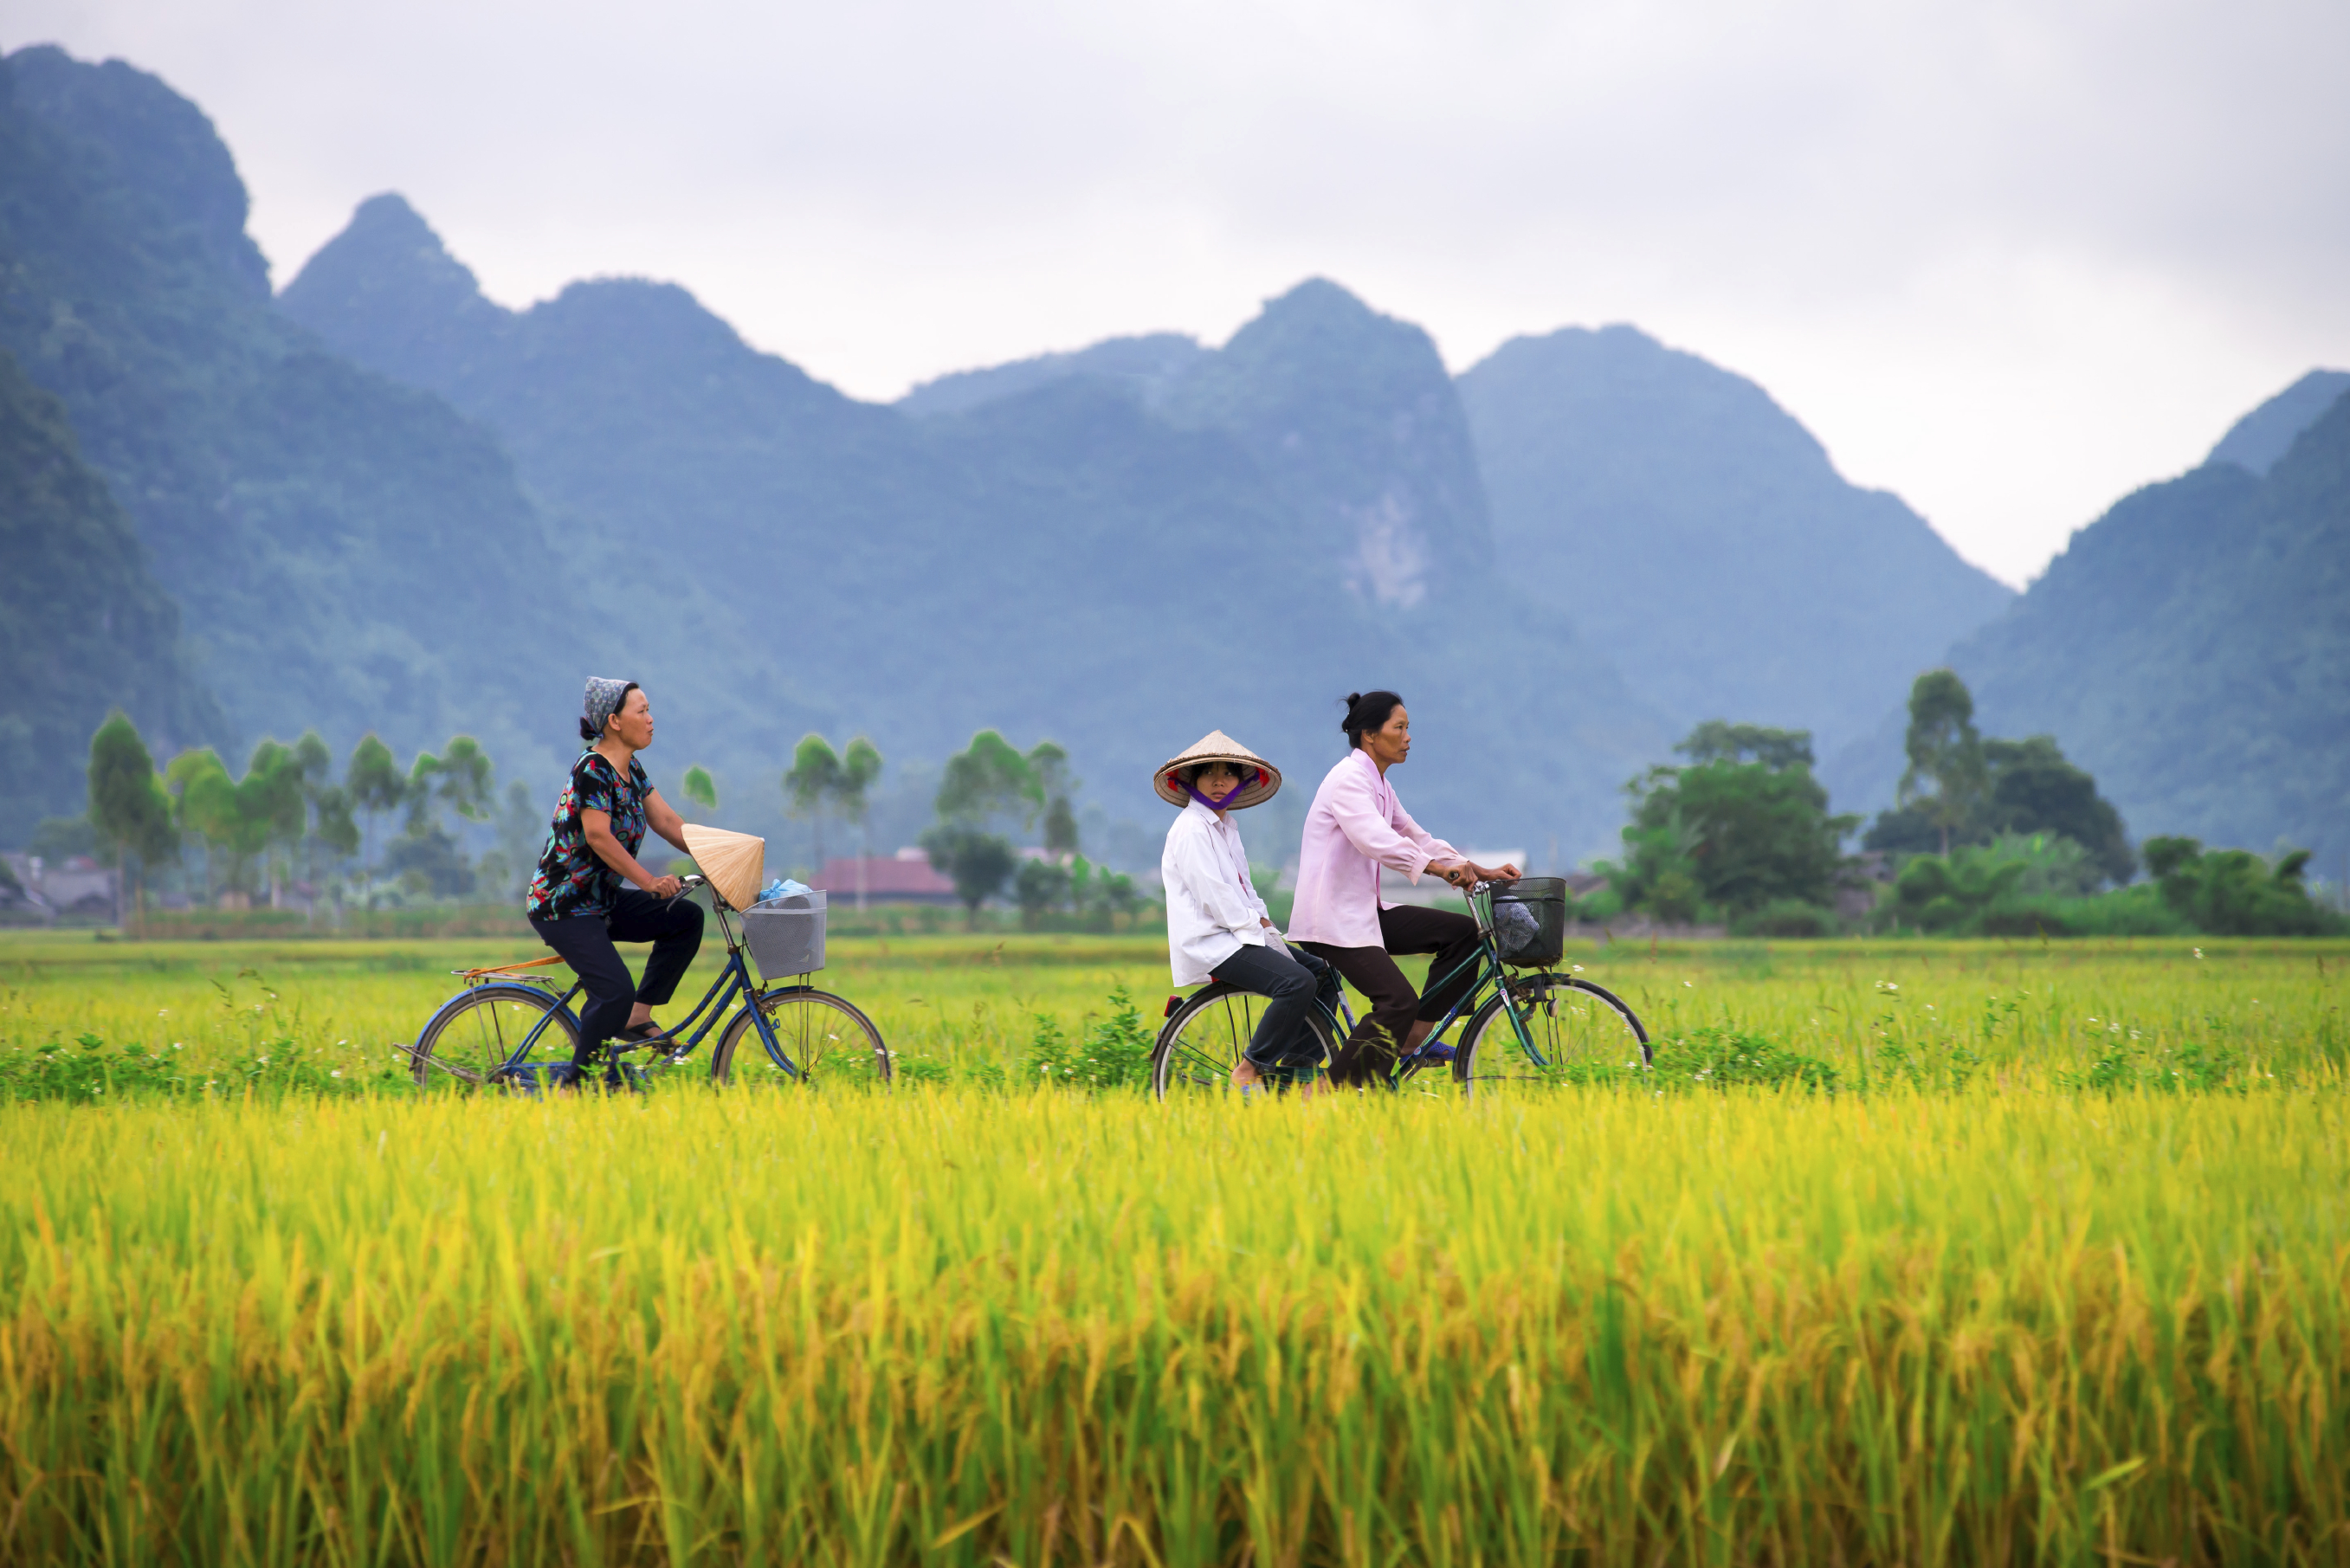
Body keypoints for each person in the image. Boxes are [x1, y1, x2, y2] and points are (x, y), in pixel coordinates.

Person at [1288, 691, 1520, 1086]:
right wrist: (1435, 870)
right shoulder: (1347, 780)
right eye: (1400, 728)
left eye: (1407, 728)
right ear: (1370, 736)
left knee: (1462, 935)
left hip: (1362, 910)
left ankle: (1412, 1040)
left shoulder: (1378, 784)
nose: (1408, 737)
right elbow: (1373, 838)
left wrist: (1475, 869)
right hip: (1329, 918)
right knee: (1396, 1000)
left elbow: (1415, 835)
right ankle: (1325, 1091)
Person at [524, 678, 704, 1086]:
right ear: (614, 722)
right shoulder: (593, 770)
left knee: (685, 918)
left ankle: (638, 1019)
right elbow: (598, 836)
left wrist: (723, 855)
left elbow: (668, 822)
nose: (651, 719)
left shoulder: (632, 770)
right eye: (642, 711)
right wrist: (647, 881)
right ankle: (573, 1088)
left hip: (600, 900)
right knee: (614, 991)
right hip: (564, 905)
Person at [1156, 730, 1341, 1095]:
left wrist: (1268, 926)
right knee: (1296, 982)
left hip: (1237, 935)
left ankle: (1298, 1070)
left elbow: (1245, 890)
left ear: (1242, 782)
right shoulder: (1192, 830)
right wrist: (1258, 934)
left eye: (1229, 773)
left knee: (1324, 975)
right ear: (1193, 781)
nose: (1219, 781)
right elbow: (1215, 897)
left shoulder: (1226, 828)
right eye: (1209, 773)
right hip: (1214, 941)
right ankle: (1251, 1067)